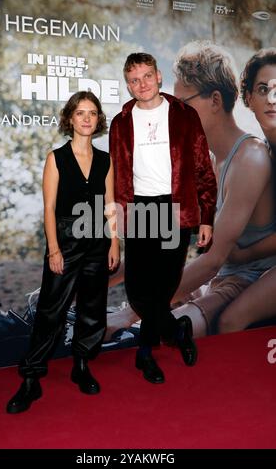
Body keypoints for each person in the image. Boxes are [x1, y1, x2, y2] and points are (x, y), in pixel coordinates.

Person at [6, 91, 119, 414]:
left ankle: (81, 364)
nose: (86, 118)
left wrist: (114, 242)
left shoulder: (105, 160)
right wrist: (54, 249)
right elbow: (49, 208)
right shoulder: (56, 158)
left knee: (92, 308)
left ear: (98, 120)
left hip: (98, 240)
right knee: (50, 311)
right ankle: (30, 379)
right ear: (70, 119)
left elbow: (110, 206)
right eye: (80, 112)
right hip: (66, 241)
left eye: (92, 113)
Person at [109, 52, 217, 384]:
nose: (141, 84)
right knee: (138, 288)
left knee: (162, 286)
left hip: (175, 209)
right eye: (133, 80)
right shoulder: (121, 122)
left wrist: (206, 216)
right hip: (139, 209)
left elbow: (202, 168)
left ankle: (145, 353)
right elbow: (114, 178)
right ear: (128, 85)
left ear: (158, 77)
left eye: (146, 76)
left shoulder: (185, 116)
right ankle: (177, 330)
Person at [170, 42, 276, 336]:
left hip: (252, 278)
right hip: (230, 277)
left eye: (183, 105)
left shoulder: (251, 158)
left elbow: (214, 259)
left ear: (215, 100)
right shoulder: (213, 162)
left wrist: (133, 311)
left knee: (205, 325)